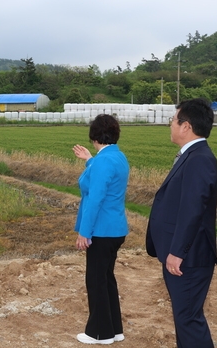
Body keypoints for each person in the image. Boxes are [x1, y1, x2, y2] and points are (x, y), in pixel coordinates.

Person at [146, 98, 217, 348]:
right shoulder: (192, 156)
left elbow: (192, 211)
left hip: (189, 257)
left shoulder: (199, 159)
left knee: (188, 318)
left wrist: (177, 252)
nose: (170, 125)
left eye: (173, 120)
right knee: (185, 316)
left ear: (185, 126)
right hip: (185, 255)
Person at [72, 114, 129, 345]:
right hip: (115, 228)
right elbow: (100, 173)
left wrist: (84, 232)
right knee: (106, 279)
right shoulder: (116, 156)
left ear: (94, 136)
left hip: (101, 230)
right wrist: (88, 159)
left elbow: (95, 198)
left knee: (96, 280)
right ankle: (114, 330)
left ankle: (99, 333)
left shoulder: (103, 161)